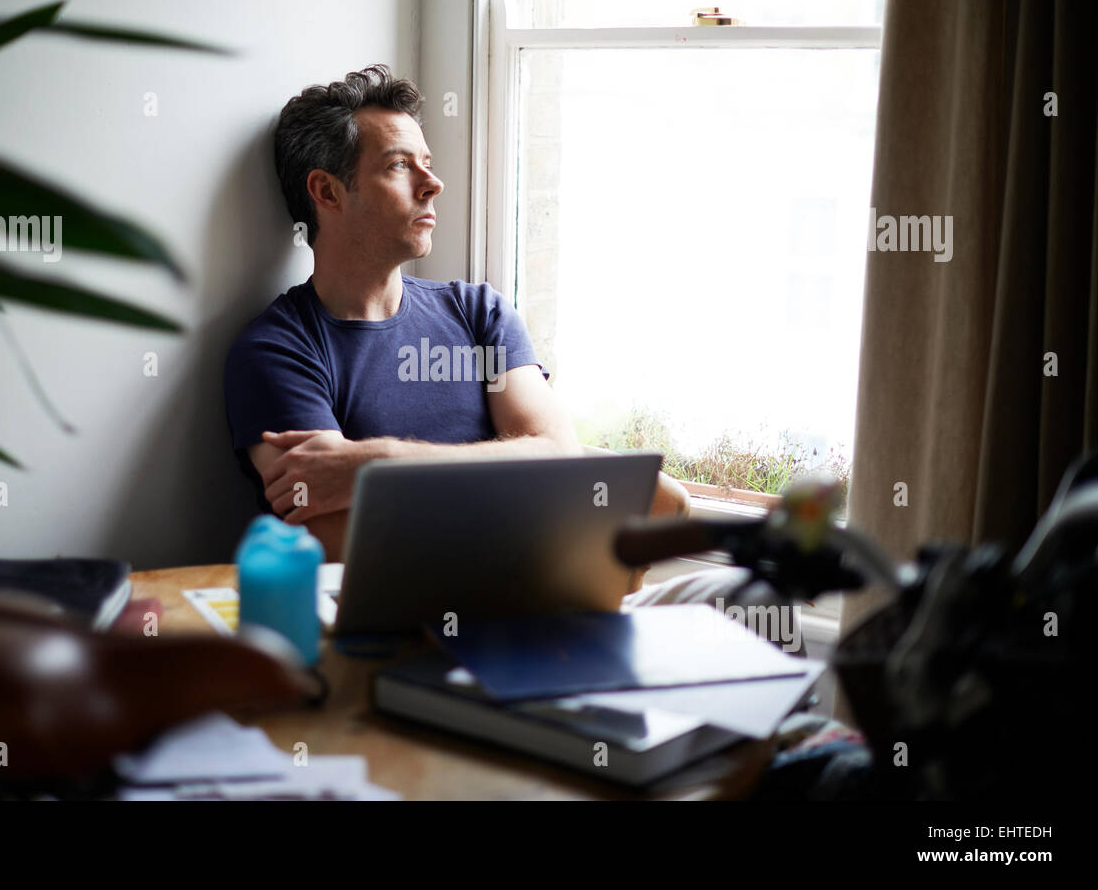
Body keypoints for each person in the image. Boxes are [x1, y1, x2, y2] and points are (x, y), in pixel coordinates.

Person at [224, 65, 799, 652]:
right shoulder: (277, 351)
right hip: (424, 640)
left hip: (558, 607)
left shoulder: (477, 312)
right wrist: (536, 487)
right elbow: (339, 542)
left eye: (426, 161)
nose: (433, 183)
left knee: (757, 604)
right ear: (326, 192)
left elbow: (557, 452)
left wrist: (379, 463)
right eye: (400, 165)